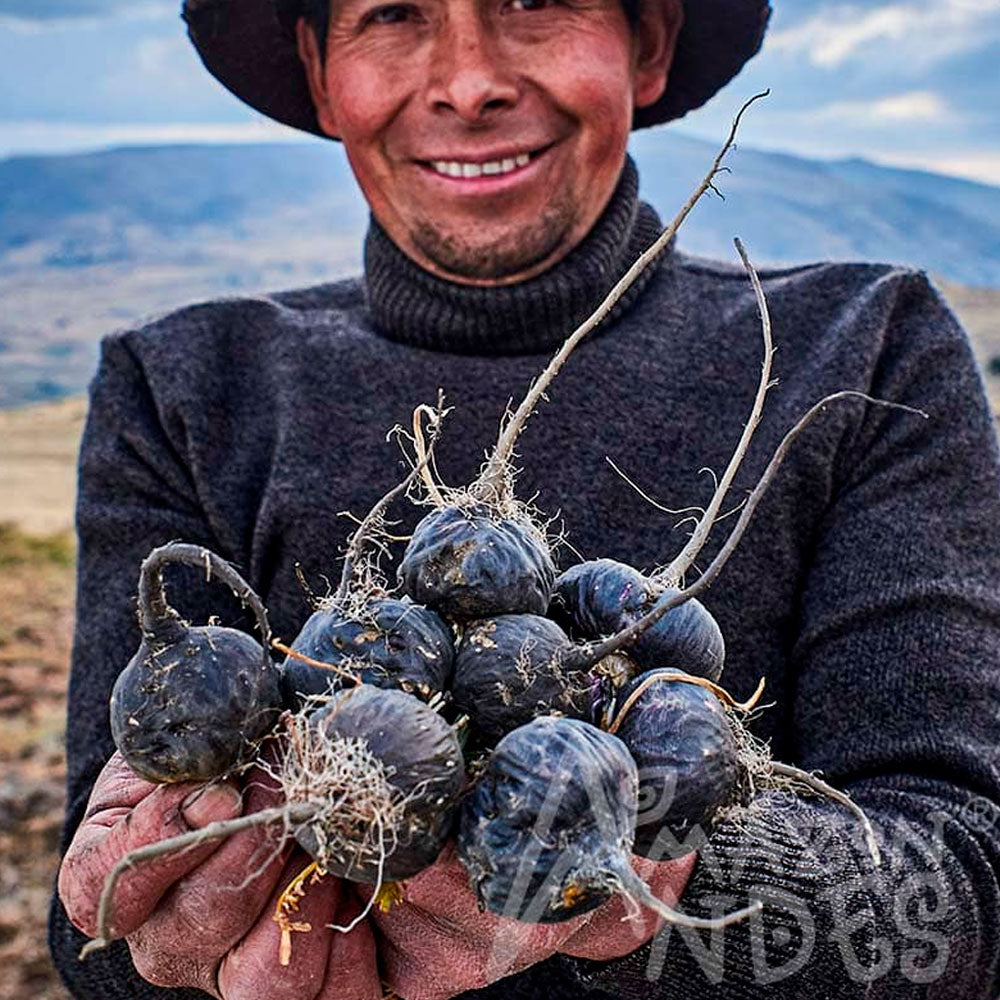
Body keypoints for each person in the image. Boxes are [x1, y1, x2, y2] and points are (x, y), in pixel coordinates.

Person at [49, 0, 1000, 996]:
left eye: (535, 1)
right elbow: (95, 927)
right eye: (393, 12)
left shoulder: (870, 344)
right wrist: (169, 903)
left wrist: (647, 893)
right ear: (321, 69)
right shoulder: (181, 385)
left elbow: (967, 895)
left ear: (651, 42)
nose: (468, 80)